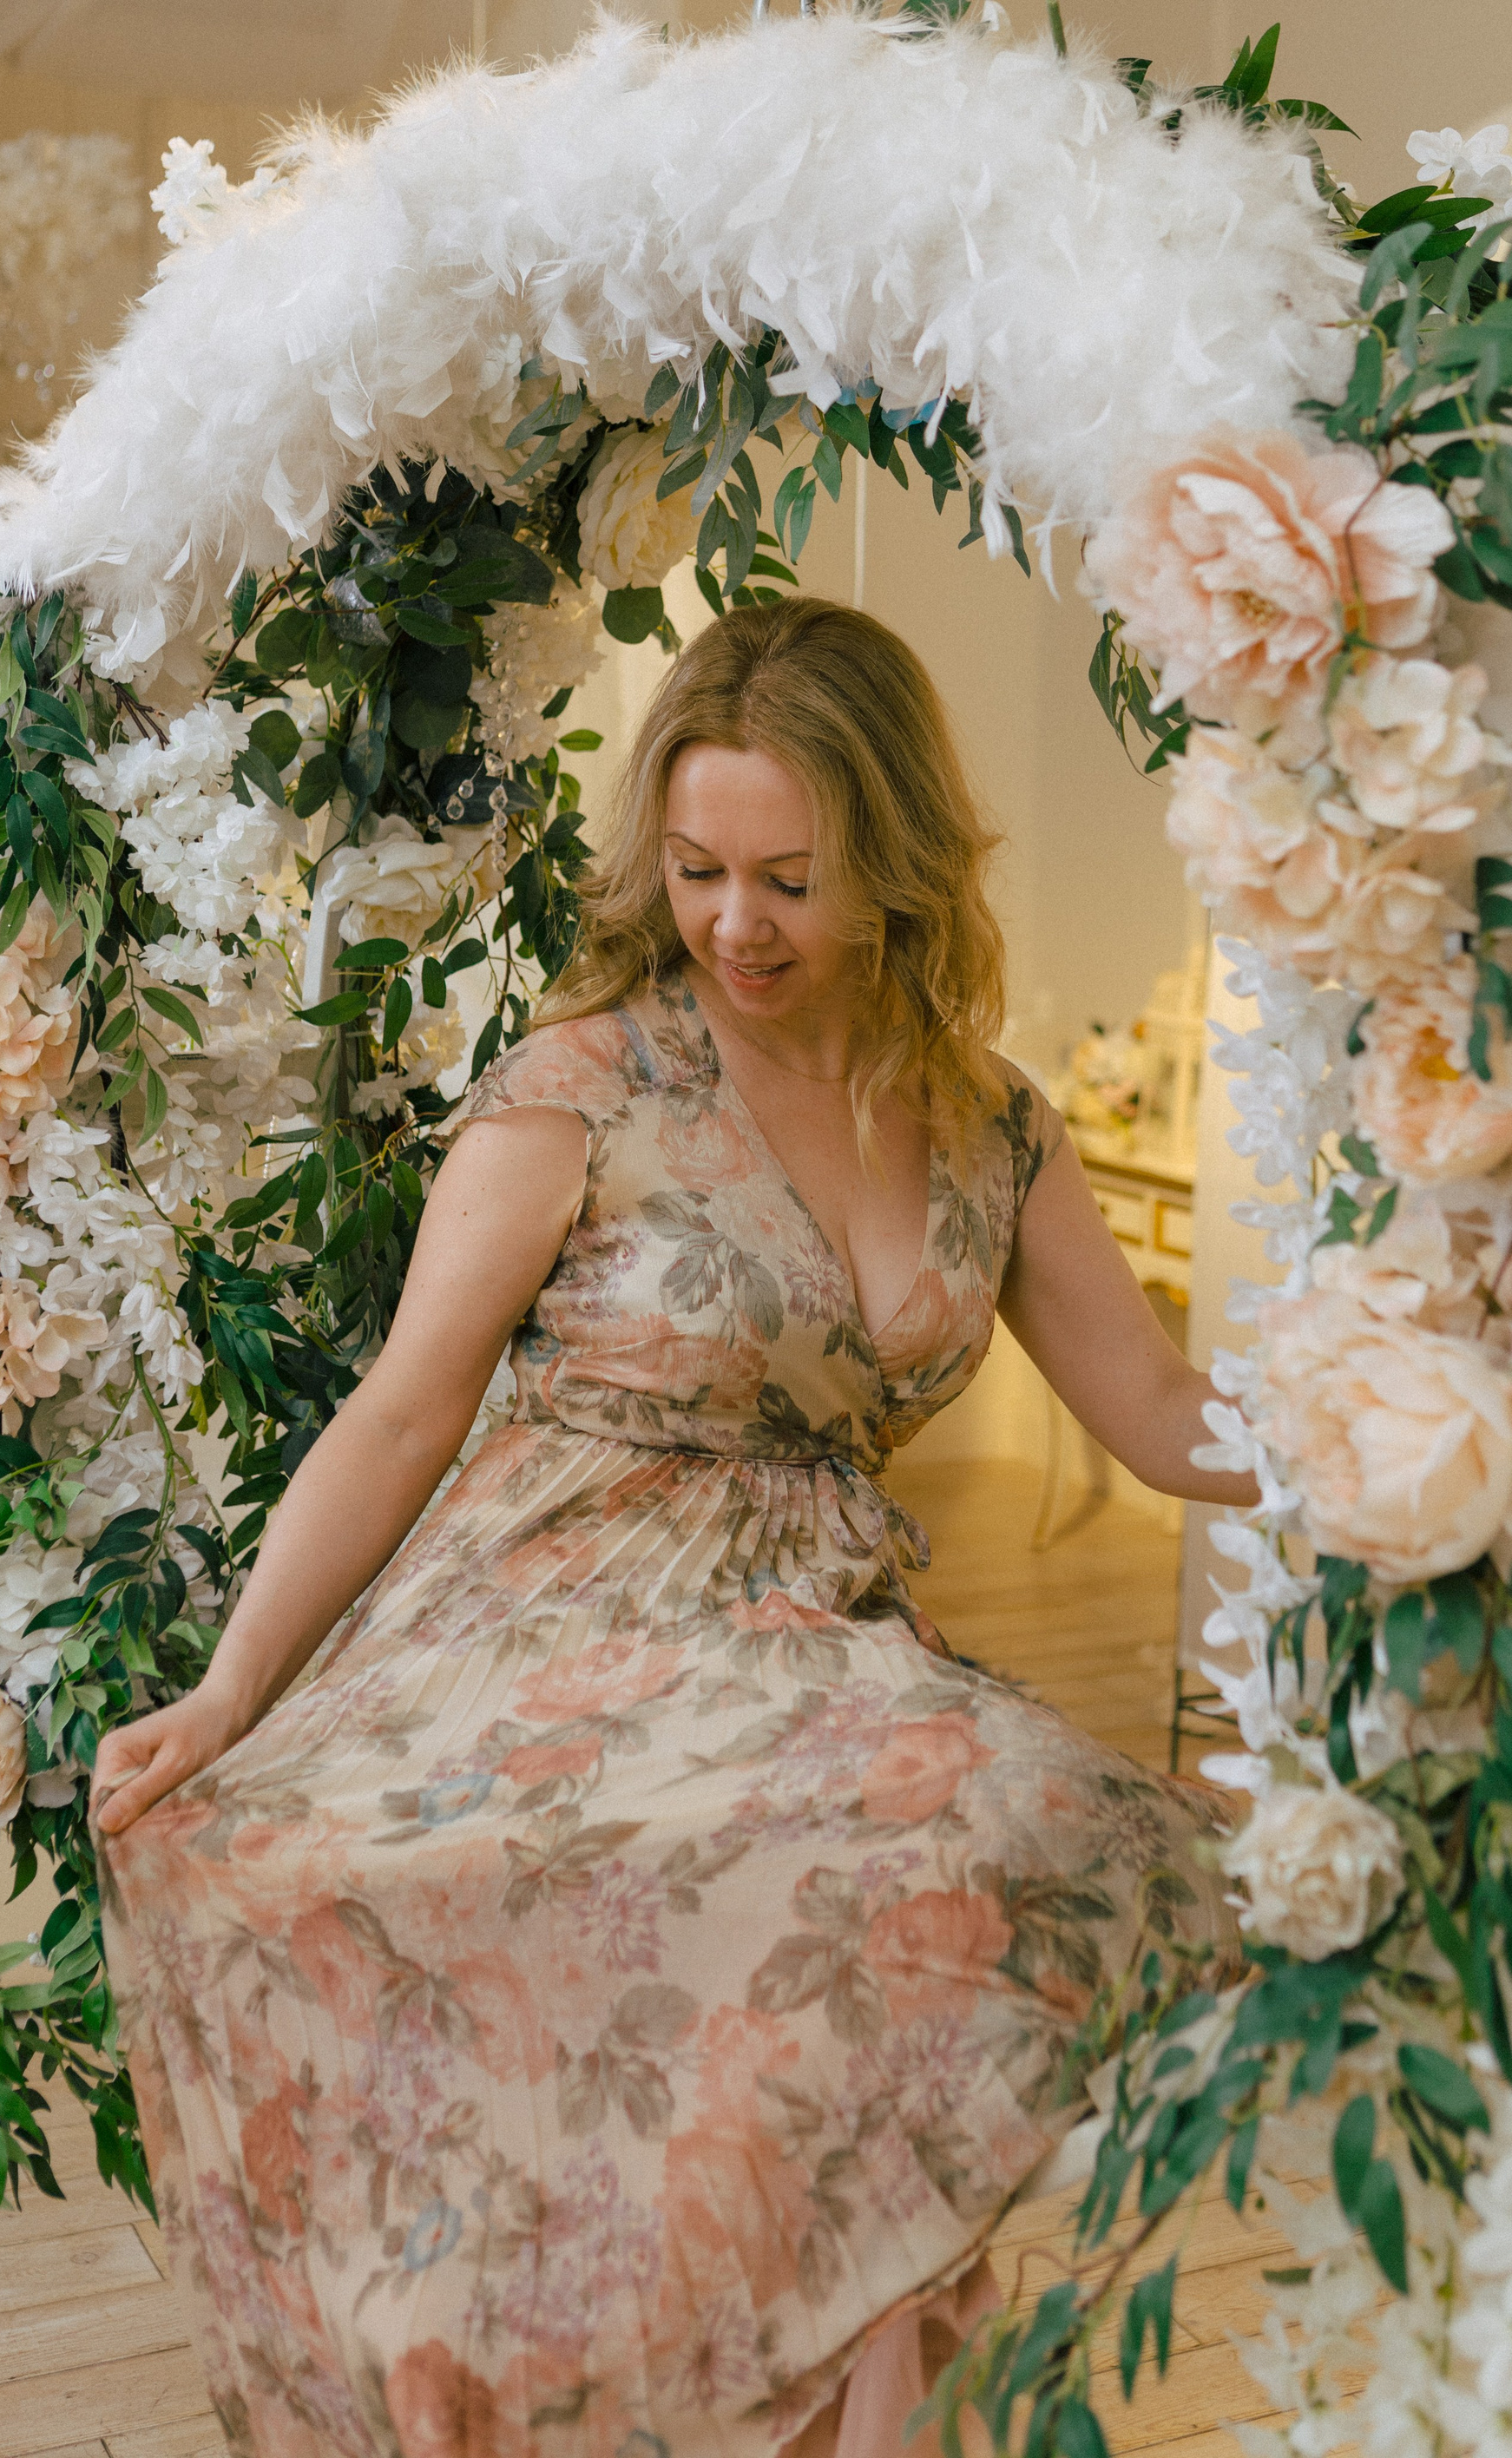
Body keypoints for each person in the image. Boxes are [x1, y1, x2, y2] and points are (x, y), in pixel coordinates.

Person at [94, 597, 1252, 2458]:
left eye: (792, 879)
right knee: (907, 1848)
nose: (736, 925)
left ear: (895, 861)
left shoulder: (991, 1121)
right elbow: (403, 1414)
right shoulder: (586, 1085)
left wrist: (1399, 1446)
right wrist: (232, 1692)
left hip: (806, 1643)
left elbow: (1162, 1409)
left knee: (998, 1852)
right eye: (701, 871)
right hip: (553, 1621)